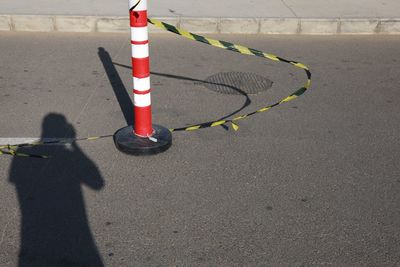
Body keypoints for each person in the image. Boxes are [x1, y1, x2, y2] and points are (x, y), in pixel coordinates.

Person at [9, 113, 105, 267]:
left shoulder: (21, 155)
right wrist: (75, 146)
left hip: (33, 232)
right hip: (74, 231)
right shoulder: (69, 155)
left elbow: (15, 180)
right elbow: (97, 182)